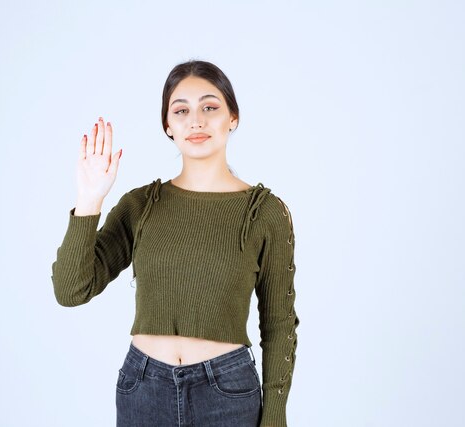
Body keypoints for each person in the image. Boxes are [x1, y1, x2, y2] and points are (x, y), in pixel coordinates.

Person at [51, 60, 299, 427]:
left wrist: (275, 418)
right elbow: (71, 290)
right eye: (181, 110)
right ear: (168, 126)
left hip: (227, 393)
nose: (195, 120)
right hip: (144, 389)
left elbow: (279, 324)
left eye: (210, 107)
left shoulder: (264, 212)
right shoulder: (141, 205)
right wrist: (89, 200)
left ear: (233, 117)